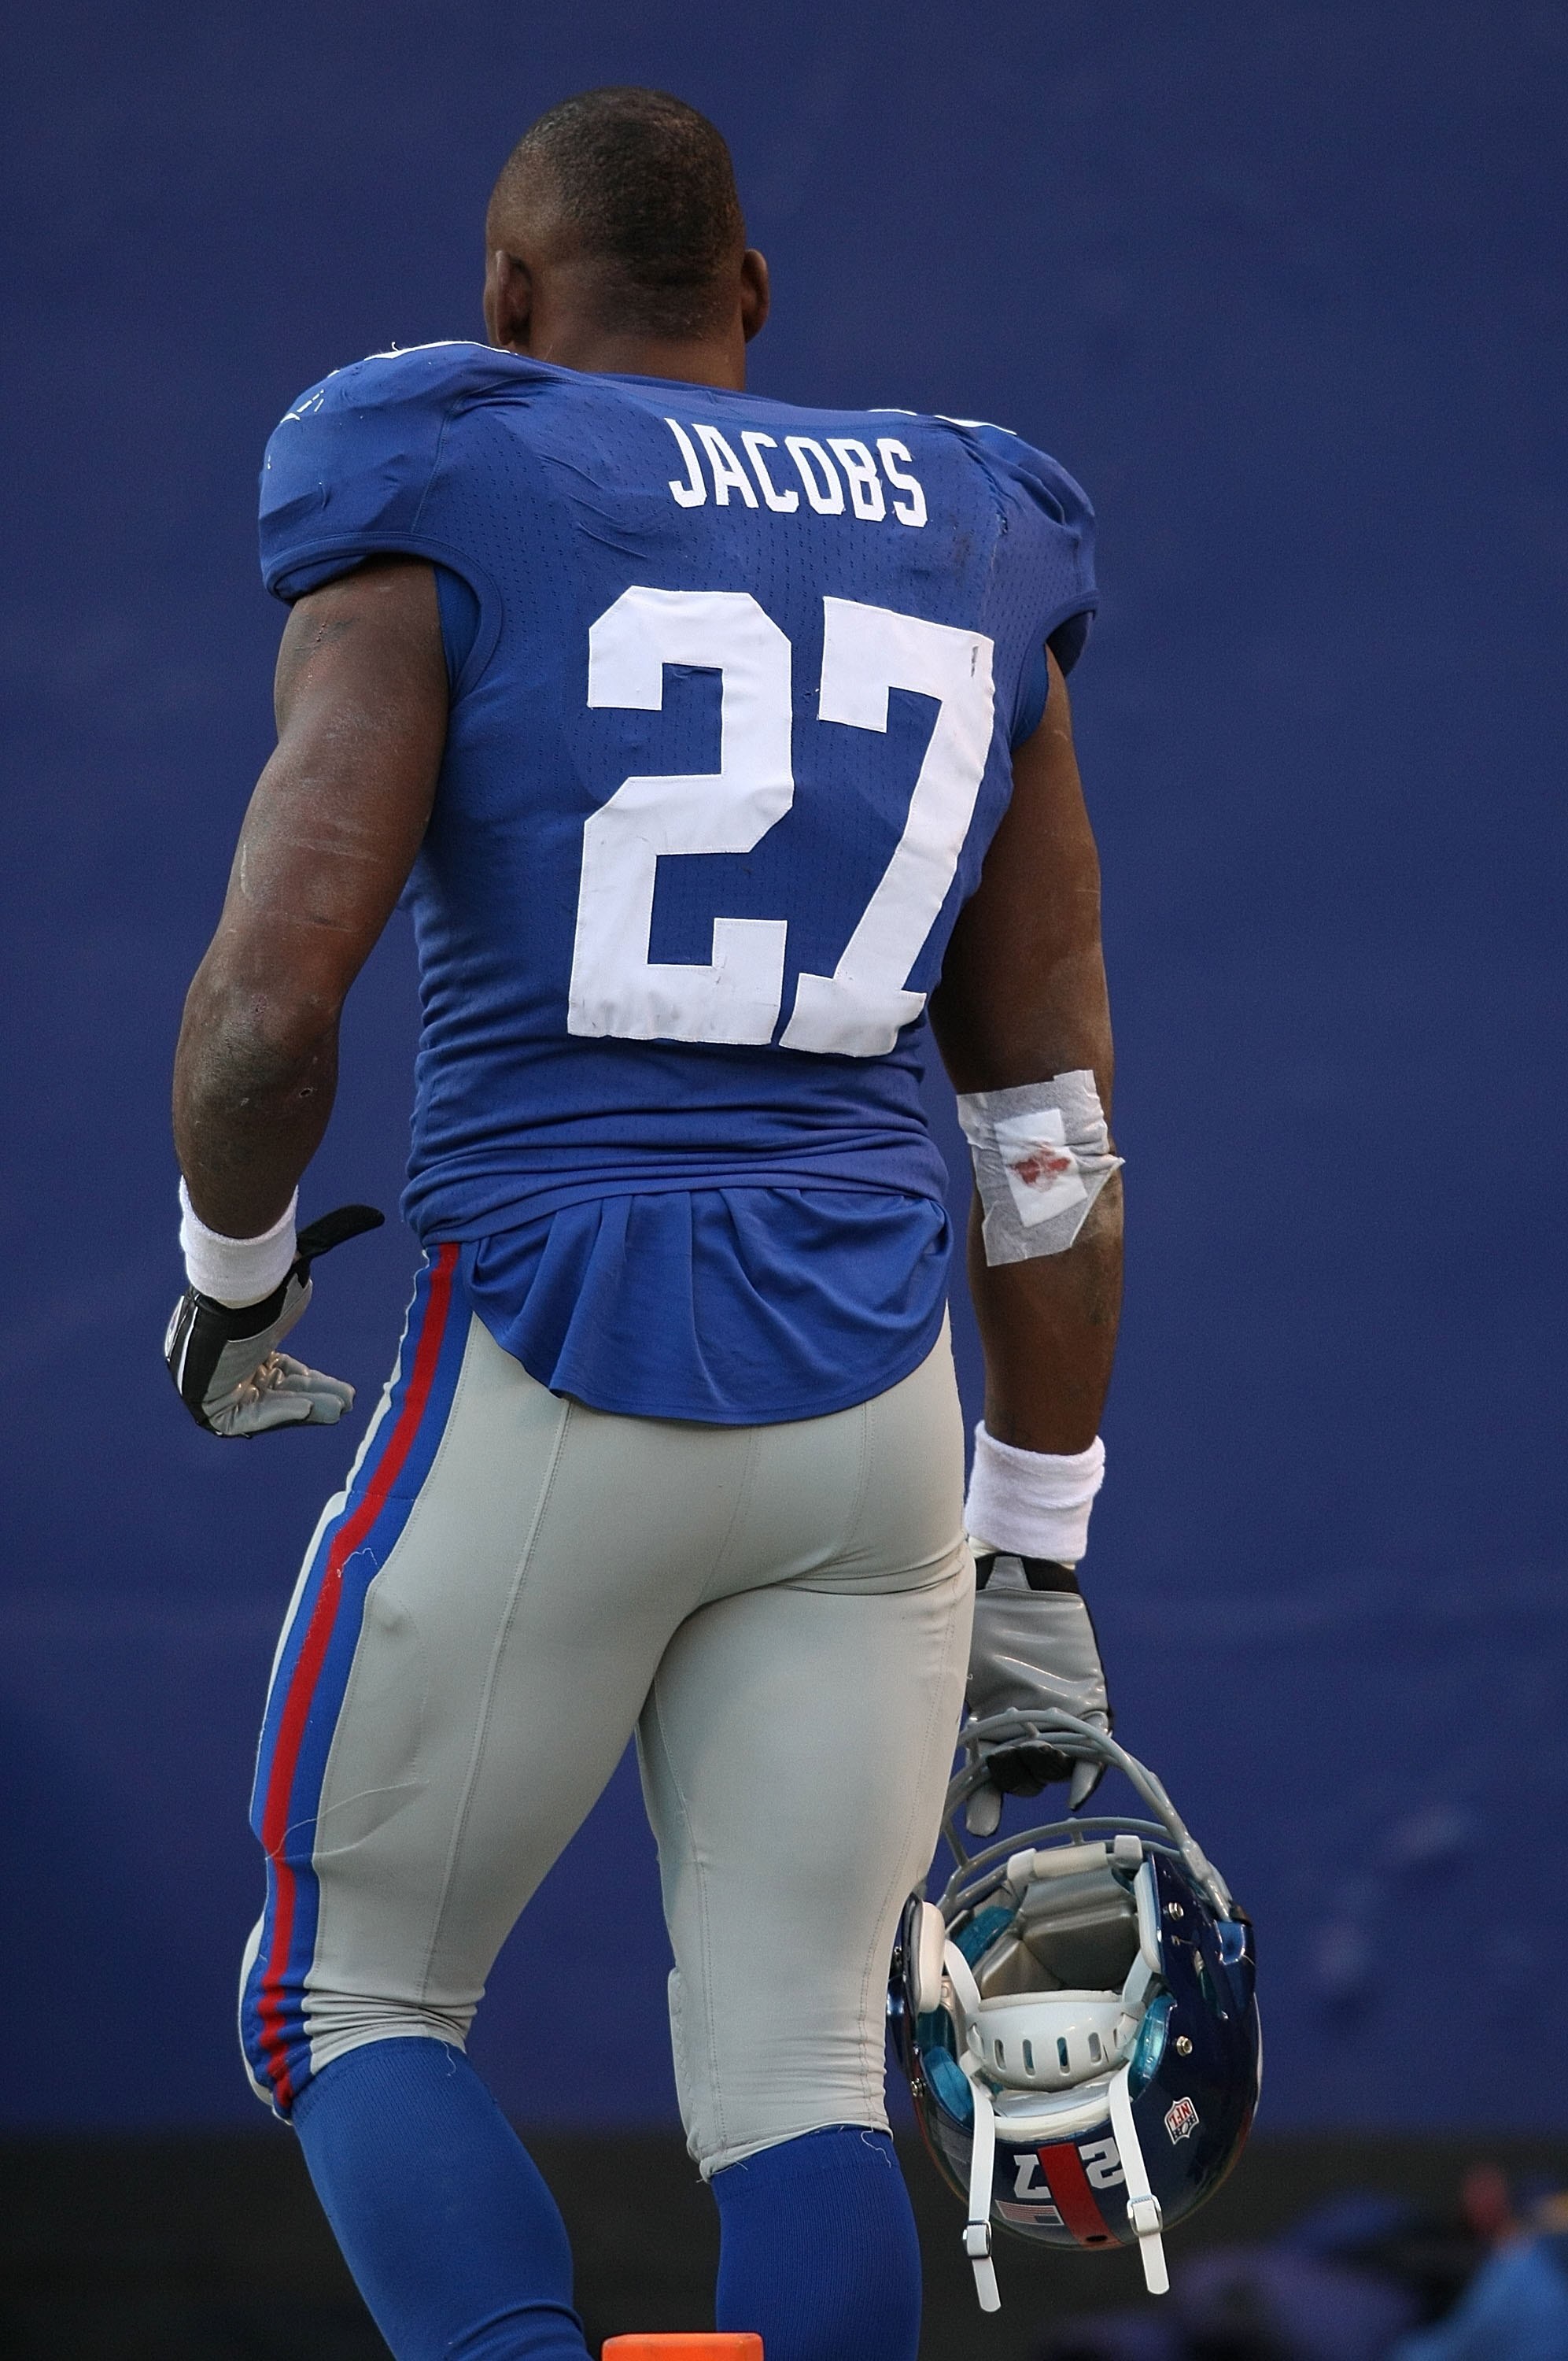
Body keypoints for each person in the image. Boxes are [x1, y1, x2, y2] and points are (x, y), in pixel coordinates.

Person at [167, 85, 1122, 2361]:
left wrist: (231, 1273)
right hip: (878, 1390)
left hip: (553, 1340)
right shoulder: (978, 518)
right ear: (753, 297)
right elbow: (1047, 1113)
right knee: (797, 2061)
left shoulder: (436, 462)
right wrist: (1037, 1535)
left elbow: (264, 1014)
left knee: (347, 1996)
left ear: (506, 300)